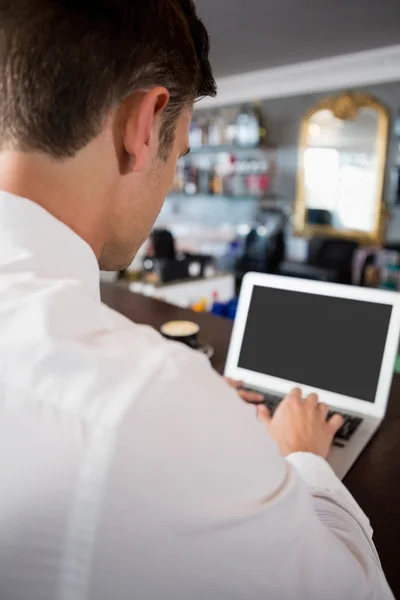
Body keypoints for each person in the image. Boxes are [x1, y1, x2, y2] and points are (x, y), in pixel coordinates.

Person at [0, 2, 393, 599]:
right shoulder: (148, 401)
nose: (170, 183)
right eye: (179, 155)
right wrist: (303, 457)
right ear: (143, 123)